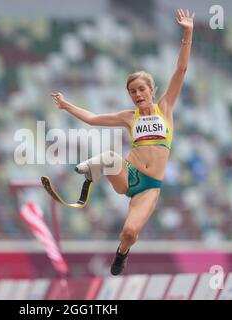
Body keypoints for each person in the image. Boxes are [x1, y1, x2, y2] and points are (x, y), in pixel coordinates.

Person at [50, 9, 194, 275]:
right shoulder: (129, 117)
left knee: (129, 232)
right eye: (132, 92)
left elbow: (181, 69)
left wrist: (187, 32)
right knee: (109, 156)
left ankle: (122, 252)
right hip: (128, 173)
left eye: (141, 89)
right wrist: (66, 105)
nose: (137, 94)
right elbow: (93, 119)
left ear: (153, 91)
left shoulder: (166, 108)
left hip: (149, 187)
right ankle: (91, 169)